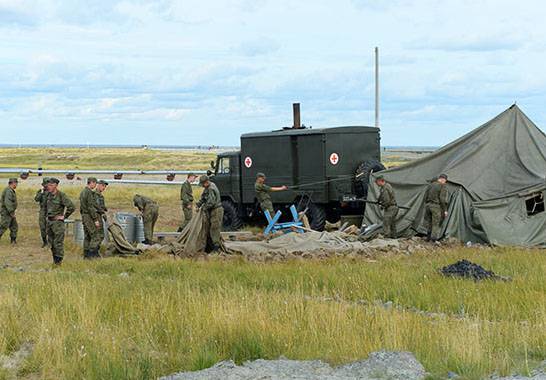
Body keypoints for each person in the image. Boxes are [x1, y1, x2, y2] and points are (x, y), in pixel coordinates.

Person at [46, 178, 75, 265]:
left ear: (56, 185)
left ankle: (58, 262)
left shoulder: (61, 195)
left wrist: (64, 216)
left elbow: (71, 207)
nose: (49, 187)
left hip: (57, 223)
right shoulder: (48, 195)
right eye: (48, 185)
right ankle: (55, 261)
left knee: (58, 243)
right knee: (51, 243)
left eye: (51, 185)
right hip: (49, 222)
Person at [196, 175, 224, 252]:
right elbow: (204, 197)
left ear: (206, 182)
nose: (202, 186)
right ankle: (211, 246)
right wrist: (199, 204)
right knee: (210, 228)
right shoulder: (208, 187)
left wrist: (203, 208)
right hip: (213, 210)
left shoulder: (211, 188)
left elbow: (211, 202)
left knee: (214, 228)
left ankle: (216, 248)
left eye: (203, 184)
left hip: (216, 210)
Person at [80, 177, 101, 259]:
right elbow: (90, 207)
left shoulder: (83, 192)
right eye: (95, 183)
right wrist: (95, 219)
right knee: (95, 235)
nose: (95, 185)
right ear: (91, 183)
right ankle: (92, 255)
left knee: (87, 236)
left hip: (84, 216)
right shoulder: (88, 192)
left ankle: (86, 255)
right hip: (88, 216)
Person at [424, 174, 449, 242]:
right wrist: (445, 210)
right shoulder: (442, 186)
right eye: (445, 181)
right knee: (435, 223)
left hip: (428, 206)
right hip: (436, 207)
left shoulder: (430, 185)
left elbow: (425, 197)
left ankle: (428, 238)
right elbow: (442, 199)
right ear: (443, 179)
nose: (445, 182)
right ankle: (433, 240)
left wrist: (428, 204)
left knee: (429, 222)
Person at [0, 178, 19, 244]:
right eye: (16, 183)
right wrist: (11, 212)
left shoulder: (10, 190)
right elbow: (7, 202)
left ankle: (13, 240)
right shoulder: (8, 191)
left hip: (9, 212)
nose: (16, 184)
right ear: (13, 183)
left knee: (14, 226)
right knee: (3, 226)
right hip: (7, 212)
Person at [34, 177, 50, 247]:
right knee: (42, 227)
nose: (46, 185)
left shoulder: (53, 191)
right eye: (45, 184)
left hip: (51, 210)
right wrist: (41, 193)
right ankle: (45, 241)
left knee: (50, 227)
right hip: (43, 210)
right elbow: (36, 199)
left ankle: (51, 242)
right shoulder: (41, 191)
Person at [95, 180, 109, 247]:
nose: (104, 188)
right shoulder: (95, 195)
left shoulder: (100, 196)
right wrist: (103, 212)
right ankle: (94, 251)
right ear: (98, 185)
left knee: (99, 235)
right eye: (103, 186)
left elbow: (101, 205)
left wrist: (105, 208)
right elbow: (97, 206)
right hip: (96, 216)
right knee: (99, 235)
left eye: (105, 186)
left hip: (98, 216)